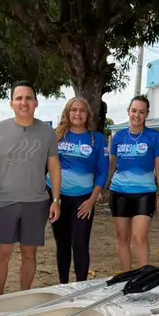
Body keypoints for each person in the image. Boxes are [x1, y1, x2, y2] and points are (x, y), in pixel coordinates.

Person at [0, 81, 61, 295]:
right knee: (1, 255)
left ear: (36, 102)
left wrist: (56, 199)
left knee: (29, 254)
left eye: (28, 98)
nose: (23, 102)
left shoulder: (47, 132)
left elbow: (54, 167)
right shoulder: (0, 129)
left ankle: (23, 296)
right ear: (11, 104)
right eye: (19, 98)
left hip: (35, 203)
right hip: (3, 201)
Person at [48, 96, 108, 283]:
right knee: (62, 243)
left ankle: (81, 285)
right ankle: (63, 285)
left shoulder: (97, 139)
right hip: (57, 197)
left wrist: (92, 200)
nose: (78, 113)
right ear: (67, 112)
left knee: (80, 243)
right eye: (74, 110)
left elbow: (103, 170)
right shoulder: (56, 135)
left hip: (83, 199)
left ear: (88, 114)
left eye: (82, 110)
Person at [107, 95, 159, 270]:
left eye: (141, 112)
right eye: (134, 111)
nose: (137, 115)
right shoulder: (118, 137)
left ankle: (143, 276)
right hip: (119, 193)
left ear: (147, 114)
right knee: (122, 238)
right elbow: (112, 165)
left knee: (139, 237)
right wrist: (101, 187)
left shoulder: (154, 137)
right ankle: (127, 276)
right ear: (128, 112)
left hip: (145, 193)